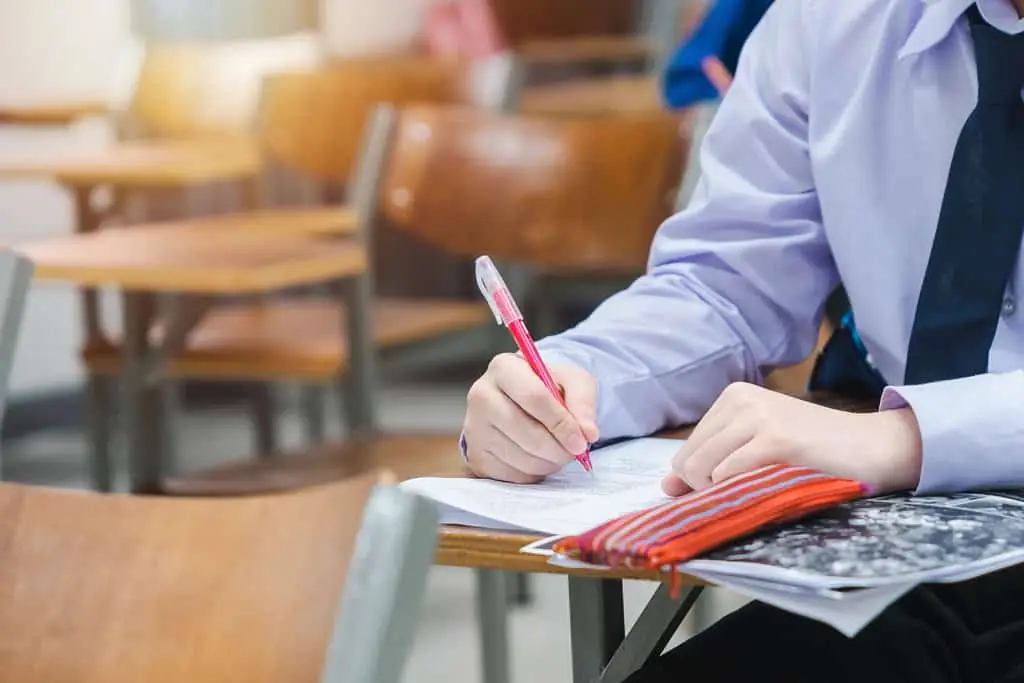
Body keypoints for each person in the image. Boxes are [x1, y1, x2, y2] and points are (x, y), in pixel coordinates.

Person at [460, 0, 1024, 680]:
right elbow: (725, 287)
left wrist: (906, 439)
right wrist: (571, 378)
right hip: (911, 551)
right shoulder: (831, 19)